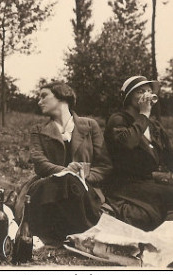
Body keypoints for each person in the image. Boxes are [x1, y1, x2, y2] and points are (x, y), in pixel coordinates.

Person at [20, 83, 111, 244]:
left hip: (84, 189)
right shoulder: (38, 129)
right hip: (48, 187)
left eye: (44, 96)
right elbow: (40, 164)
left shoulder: (90, 126)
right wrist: (66, 172)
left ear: (62, 96)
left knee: (73, 185)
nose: (39, 102)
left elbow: (104, 166)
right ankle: (85, 234)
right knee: (65, 181)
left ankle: (77, 233)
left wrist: (84, 176)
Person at [103, 76, 173, 231]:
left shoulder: (153, 126)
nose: (146, 95)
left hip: (146, 183)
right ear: (128, 97)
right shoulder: (118, 119)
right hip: (124, 184)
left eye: (149, 91)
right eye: (140, 91)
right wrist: (143, 115)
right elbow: (127, 143)